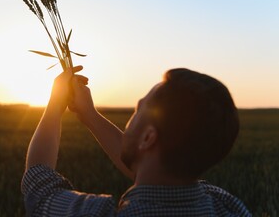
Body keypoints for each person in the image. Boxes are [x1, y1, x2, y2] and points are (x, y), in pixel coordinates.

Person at [21, 66, 251, 216]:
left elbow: (39, 184)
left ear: (148, 138)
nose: (132, 117)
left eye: (138, 109)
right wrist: (89, 115)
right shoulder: (227, 206)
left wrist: (54, 105)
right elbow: (152, 170)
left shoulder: (102, 213)